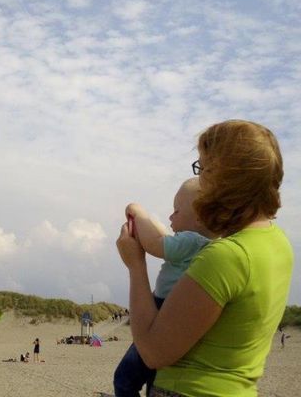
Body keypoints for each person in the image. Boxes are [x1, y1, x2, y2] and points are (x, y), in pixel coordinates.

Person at [117, 119, 294, 397]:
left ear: (225, 179)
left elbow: (152, 352)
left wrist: (135, 265)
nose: (200, 181)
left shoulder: (226, 257)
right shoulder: (278, 243)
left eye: (202, 168)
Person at [114, 178, 216, 397]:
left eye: (176, 211)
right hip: (181, 314)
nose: (170, 217)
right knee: (154, 378)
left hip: (161, 310)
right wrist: (148, 221)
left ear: (199, 217)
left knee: (124, 379)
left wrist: (135, 210)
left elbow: (154, 243)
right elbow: (162, 235)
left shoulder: (189, 241)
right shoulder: (206, 246)